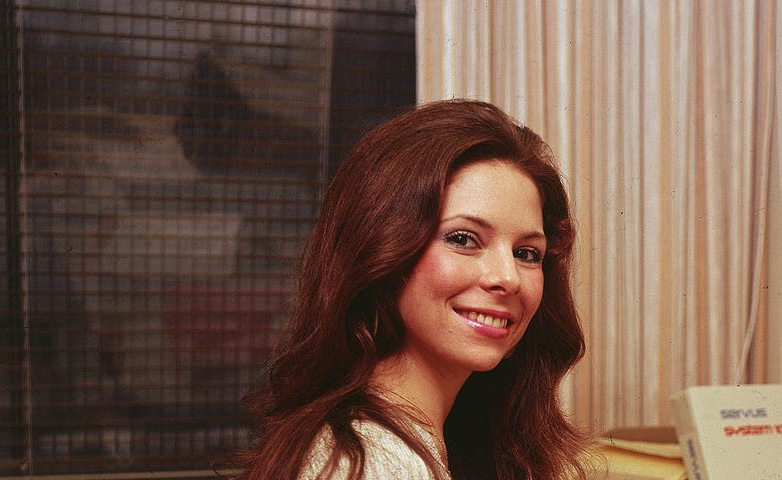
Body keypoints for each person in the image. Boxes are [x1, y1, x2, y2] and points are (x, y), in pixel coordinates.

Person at [231, 99, 587, 479]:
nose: (508, 277)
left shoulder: (430, 439)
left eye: (527, 253)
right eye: (464, 239)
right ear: (382, 251)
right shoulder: (373, 463)